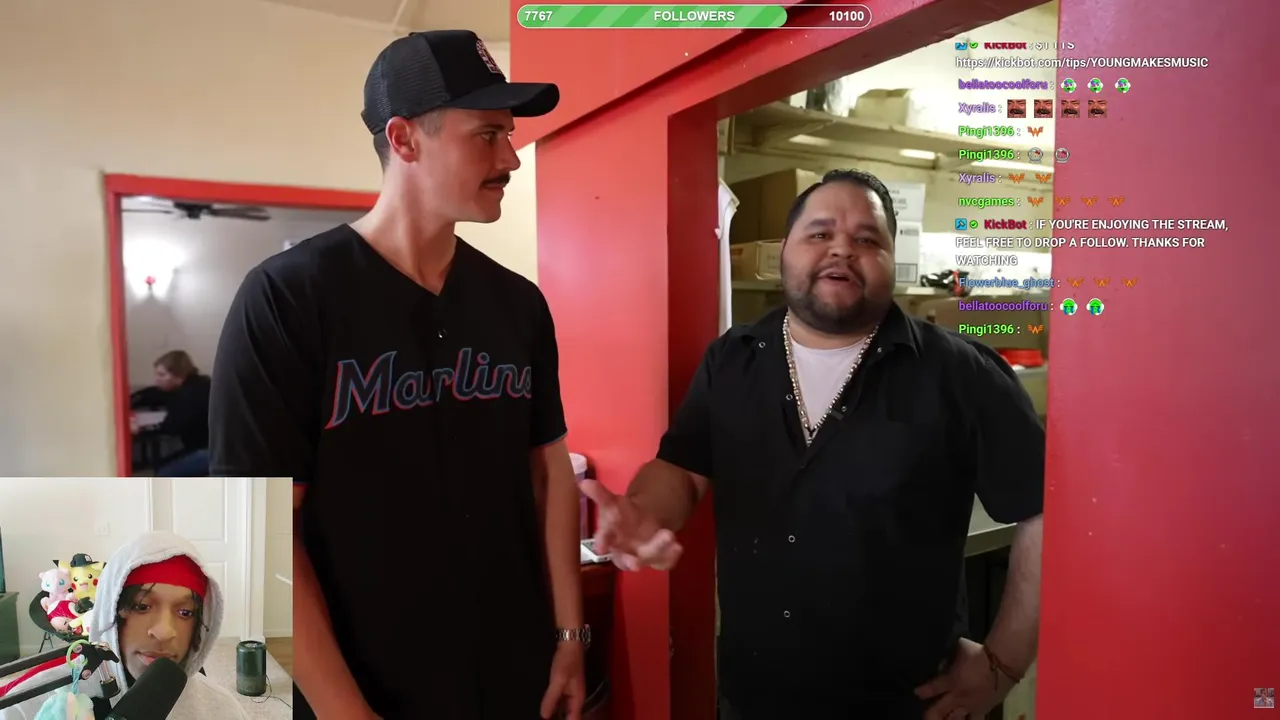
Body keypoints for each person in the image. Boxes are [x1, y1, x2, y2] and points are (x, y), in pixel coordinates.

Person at [208, 30, 587, 720]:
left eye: (509, 134)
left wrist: (569, 638)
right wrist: (347, 713)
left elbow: (549, 472)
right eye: (488, 135)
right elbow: (261, 533)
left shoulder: (517, 304)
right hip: (364, 684)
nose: (511, 157)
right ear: (404, 139)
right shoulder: (289, 299)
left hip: (514, 673)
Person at [582, 169, 1046, 720]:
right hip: (755, 697)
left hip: (907, 703)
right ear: (786, 251)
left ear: (893, 259)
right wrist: (643, 510)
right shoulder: (732, 360)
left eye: (867, 239)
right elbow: (682, 469)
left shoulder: (960, 373)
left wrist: (1003, 662)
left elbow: (1043, 510)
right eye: (820, 233)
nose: (842, 249)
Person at [0, 532, 250, 719]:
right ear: (111, 609)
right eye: (142, 606)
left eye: (185, 612)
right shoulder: (27, 707)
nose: (164, 631)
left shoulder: (223, 711)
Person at [131, 350, 211, 476]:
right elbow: (154, 394)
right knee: (160, 466)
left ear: (178, 376)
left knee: (163, 473)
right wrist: (129, 401)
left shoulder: (190, 395)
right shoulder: (195, 384)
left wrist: (140, 429)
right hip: (212, 448)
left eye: (162, 375)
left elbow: (171, 426)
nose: (157, 380)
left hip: (213, 452)